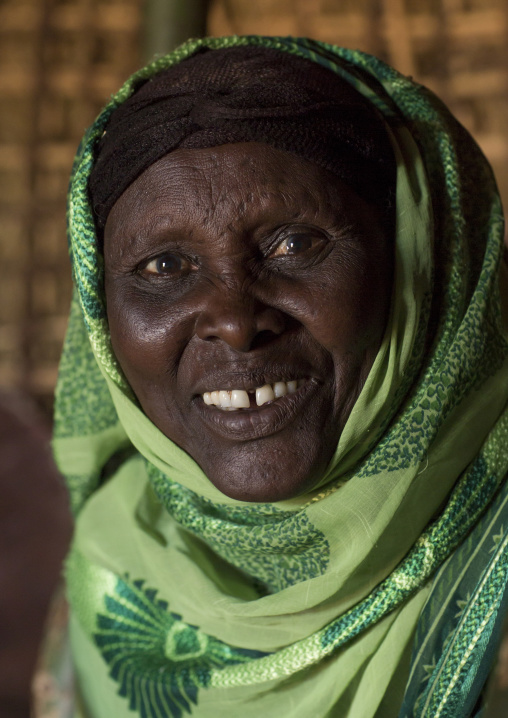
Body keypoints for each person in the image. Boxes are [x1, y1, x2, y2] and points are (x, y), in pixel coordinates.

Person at [51, 36, 508, 717]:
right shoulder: (114, 561)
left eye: (295, 245)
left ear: (425, 259)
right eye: (164, 267)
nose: (235, 321)